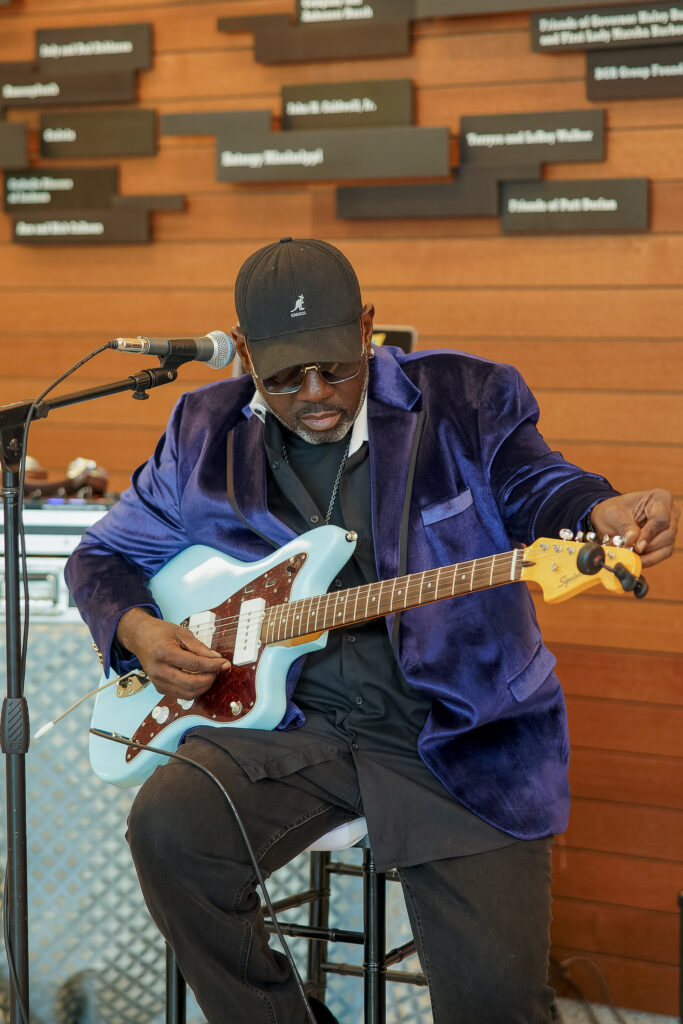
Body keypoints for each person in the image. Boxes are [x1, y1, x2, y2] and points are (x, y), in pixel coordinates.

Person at [65, 238, 678, 1024]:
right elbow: (105, 553)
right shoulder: (202, 431)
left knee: (496, 1006)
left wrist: (595, 511)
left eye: (336, 366)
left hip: (458, 735)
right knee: (167, 829)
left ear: (367, 328)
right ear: (244, 354)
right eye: (284, 376)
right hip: (290, 729)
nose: (316, 393)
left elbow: (536, 481)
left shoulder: (463, 396)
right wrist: (137, 628)